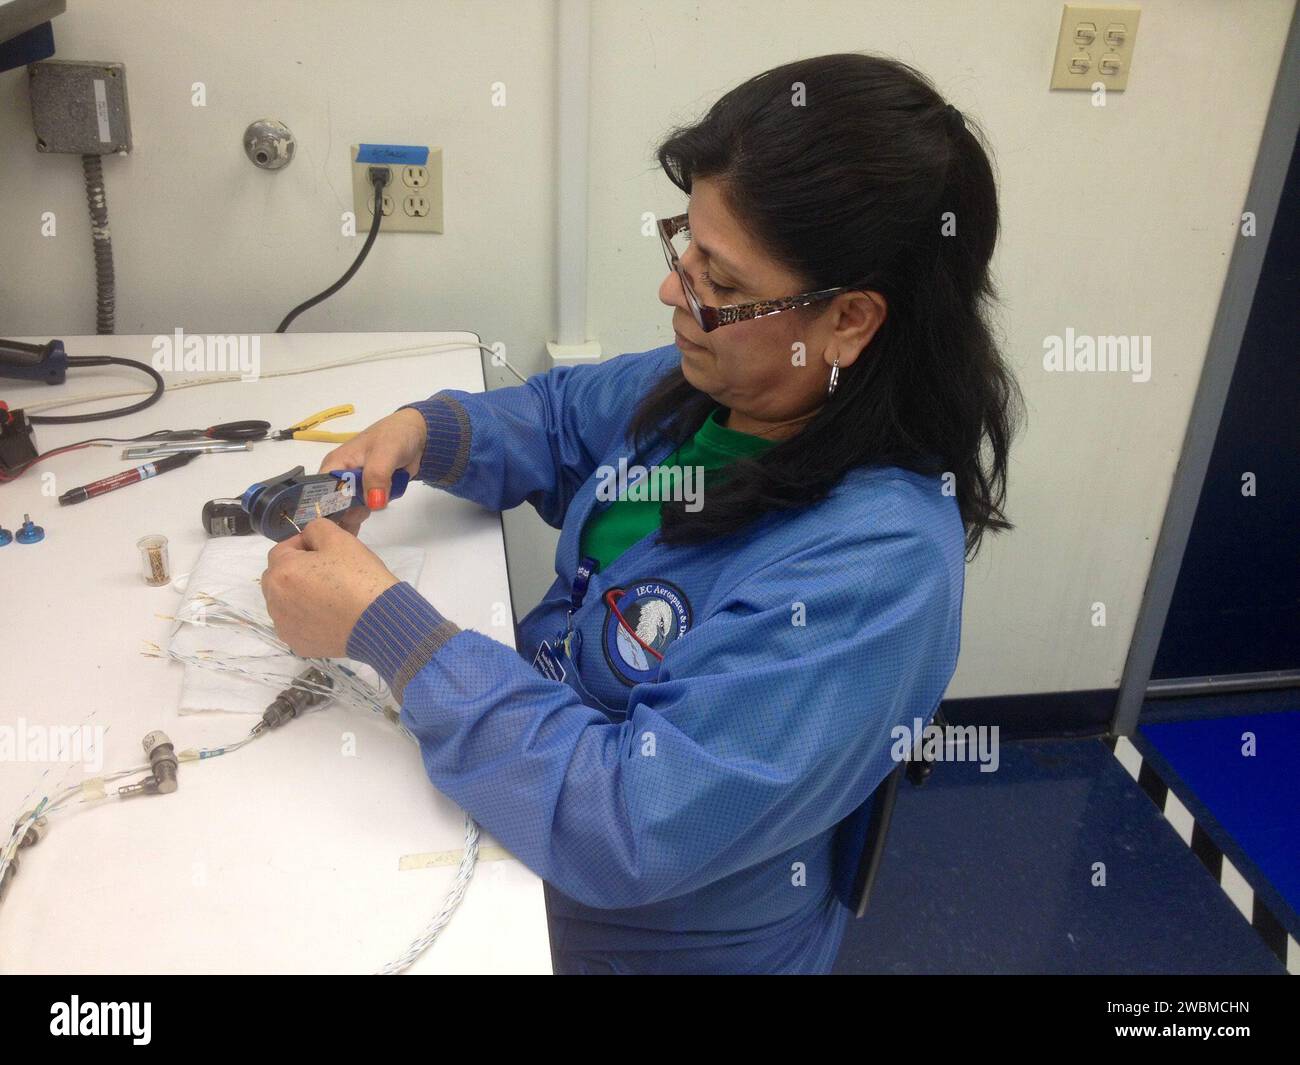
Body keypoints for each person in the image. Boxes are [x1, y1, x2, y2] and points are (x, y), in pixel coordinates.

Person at [261, 52, 1021, 974]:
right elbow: (556, 417)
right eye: (686, 247)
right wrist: (427, 433)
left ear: (850, 321)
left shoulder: (875, 572)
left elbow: (625, 822)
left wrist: (395, 635)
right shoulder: (725, 387)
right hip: (518, 808)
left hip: (640, 940)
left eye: (724, 283)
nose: (677, 290)